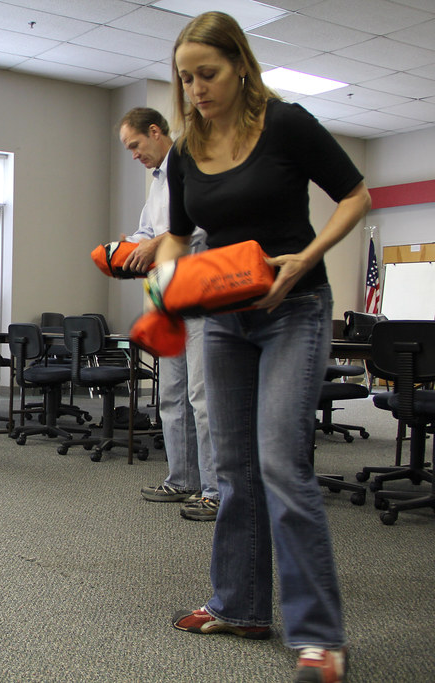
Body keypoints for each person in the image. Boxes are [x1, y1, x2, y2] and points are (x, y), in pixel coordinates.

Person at [159, 12, 370, 683]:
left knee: (282, 463)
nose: (196, 88)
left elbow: (355, 195)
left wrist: (304, 260)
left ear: (240, 65)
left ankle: (319, 635)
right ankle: (241, 606)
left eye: (208, 73)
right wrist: (166, 276)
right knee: (233, 468)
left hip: (294, 309)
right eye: (186, 77)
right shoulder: (185, 149)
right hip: (222, 317)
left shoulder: (287, 124)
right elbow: (177, 231)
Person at [118, 107, 219, 522]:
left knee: (203, 398)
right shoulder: (157, 183)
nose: (134, 155)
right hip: (167, 299)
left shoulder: (191, 164)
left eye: (135, 145)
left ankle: (215, 490)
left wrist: (154, 243)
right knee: (172, 396)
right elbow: (148, 232)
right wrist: (127, 247)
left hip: (200, 297)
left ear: (155, 132)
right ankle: (182, 480)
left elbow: (198, 224)